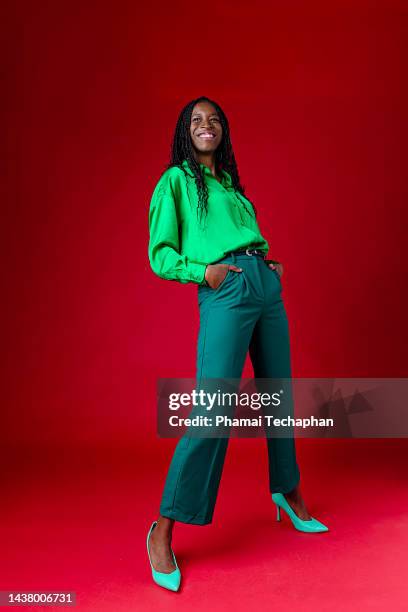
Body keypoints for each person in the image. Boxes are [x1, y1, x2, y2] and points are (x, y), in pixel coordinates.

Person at [146, 96, 328, 592]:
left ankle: (287, 491)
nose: (207, 126)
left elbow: (246, 234)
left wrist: (267, 265)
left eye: (215, 120)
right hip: (223, 287)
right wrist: (202, 272)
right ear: (186, 132)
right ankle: (163, 529)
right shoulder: (177, 182)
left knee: (277, 393)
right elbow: (160, 254)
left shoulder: (228, 185)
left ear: (224, 131)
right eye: (196, 120)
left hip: (262, 284)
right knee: (213, 409)